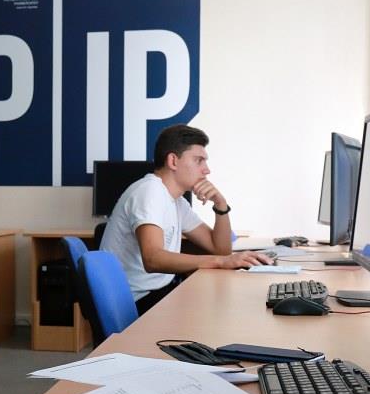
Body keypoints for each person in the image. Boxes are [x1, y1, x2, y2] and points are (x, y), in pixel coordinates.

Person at [99, 124, 271, 314]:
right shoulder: (150, 192)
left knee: (231, 302)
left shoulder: (177, 202)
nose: (207, 170)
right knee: (228, 309)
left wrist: (221, 205)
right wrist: (220, 262)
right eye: (199, 161)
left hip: (160, 290)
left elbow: (221, 249)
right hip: (137, 301)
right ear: (173, 161)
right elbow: (153, 259)